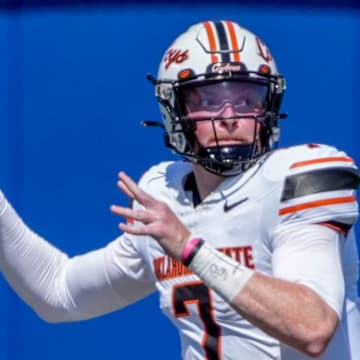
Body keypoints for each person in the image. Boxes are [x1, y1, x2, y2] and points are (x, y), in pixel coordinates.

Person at [0, 20, 359, 360]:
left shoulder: (299, 178)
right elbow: (59, 294)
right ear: (176, 111)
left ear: (269, 105)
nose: (231, 116)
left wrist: (189, 248)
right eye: (209, 101)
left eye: (248, 98)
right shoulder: (165, 194)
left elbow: (313, 327)